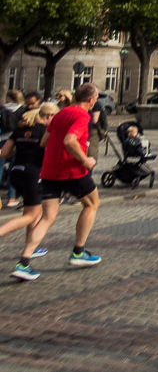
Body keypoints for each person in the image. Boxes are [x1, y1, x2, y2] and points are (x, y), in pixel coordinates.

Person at [14, 83, 104, 279]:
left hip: (49, 170)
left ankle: (23, 263)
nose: (96, 102)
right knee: (92, 204)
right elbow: (70, 141)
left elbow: (44, 142)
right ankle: (78, 252)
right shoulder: (82, 115)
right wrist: (85, 158)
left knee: (47, 217)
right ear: (90, 99)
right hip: (71, 170)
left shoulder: (61, 113)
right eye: (96, 98)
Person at [1, 103, 56, 274]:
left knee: (32, 213)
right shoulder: (45, 132)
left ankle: (31, 246)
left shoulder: (20, 130)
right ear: (48, 116)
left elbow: (4, 153)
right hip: (34, 174)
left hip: (16, 172)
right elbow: (49, 154)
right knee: (32, 215)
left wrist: (21, 149)